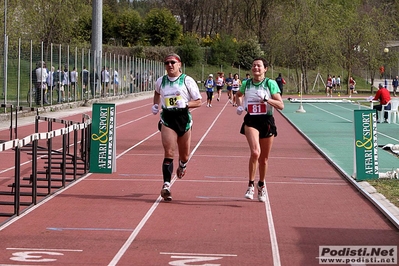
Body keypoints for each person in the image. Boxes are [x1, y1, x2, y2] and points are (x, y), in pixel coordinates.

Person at [152, 53, 202, 201]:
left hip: (183, 119)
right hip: (168, 118)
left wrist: (186, 104)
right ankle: (166, 185)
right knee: (169, 151)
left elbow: (199, 101)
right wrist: (155, 104)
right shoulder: (161, 81)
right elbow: (156, 93)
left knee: (184, 155)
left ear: (179, 64)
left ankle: (182, 165)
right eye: (167, 63)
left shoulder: (187, 81)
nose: (170, 65)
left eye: (173, 62)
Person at [235, 57, 284, 202]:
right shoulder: (246, 83)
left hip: (267, 121)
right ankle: (250, 184)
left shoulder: (271, 84)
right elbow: (238, 95)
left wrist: (267, 99)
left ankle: (261, 185)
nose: (256, 68)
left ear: (265, 69)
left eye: (259, 66)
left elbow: (281, 105)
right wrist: (240, 105)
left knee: (264, 159)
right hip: (251, 120)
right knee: (255, 152)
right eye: (254, 66)